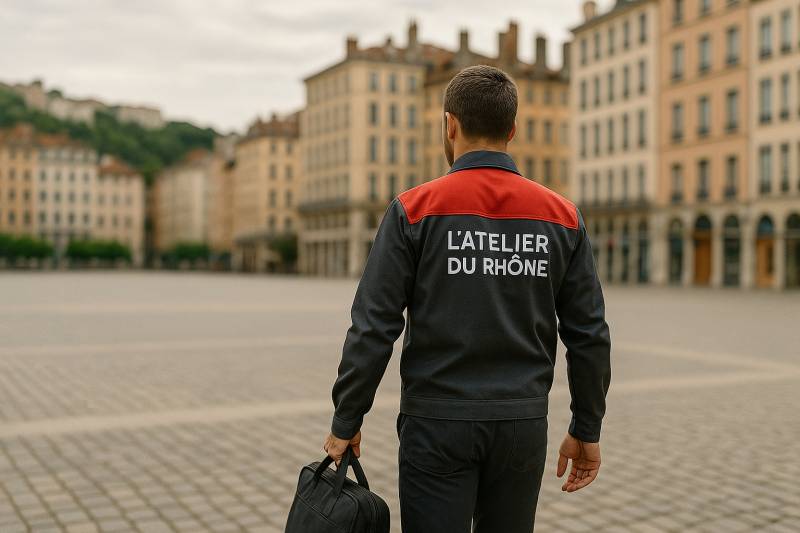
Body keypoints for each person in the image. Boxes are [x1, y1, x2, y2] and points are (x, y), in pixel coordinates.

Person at [323, 64, 611, 532]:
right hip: (521, 424)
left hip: (437, 423)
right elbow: (589, 335)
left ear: (450, 125)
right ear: (512, 129)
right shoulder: (562, 216)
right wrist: (586, 427)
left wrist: (346, 418)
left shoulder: (414, 209)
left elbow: (374, 327)